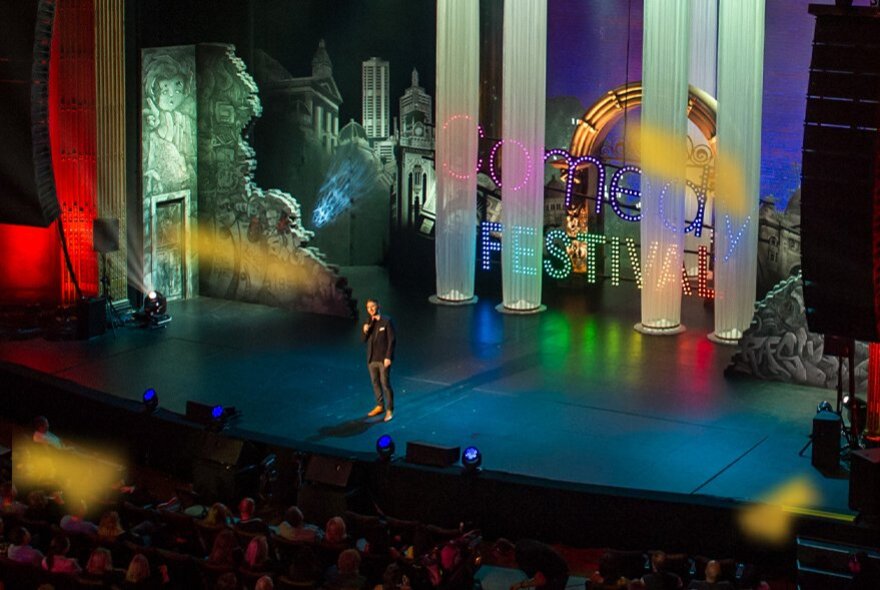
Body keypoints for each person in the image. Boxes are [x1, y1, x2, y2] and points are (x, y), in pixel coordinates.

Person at [362, 298, 396, 422]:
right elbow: (364, 340)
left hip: (383, 359)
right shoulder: (368, 321)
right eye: (368, 307)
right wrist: (365, 330)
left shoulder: (386, 321)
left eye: (372, 306)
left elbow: (392, 340)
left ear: (378, 306)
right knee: (375, 383)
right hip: (371, 359)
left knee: (385, 384)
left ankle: (390, 409)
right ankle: (379, 405)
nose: (370, 309)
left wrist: (388, 357)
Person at [493, 538, 569, 590]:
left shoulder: (523, 558)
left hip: (557, 575)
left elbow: (541, 580)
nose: (498, 561)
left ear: (507, 553)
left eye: (498, 558)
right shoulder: (520, 545)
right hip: (556, 568)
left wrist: (519, 585)